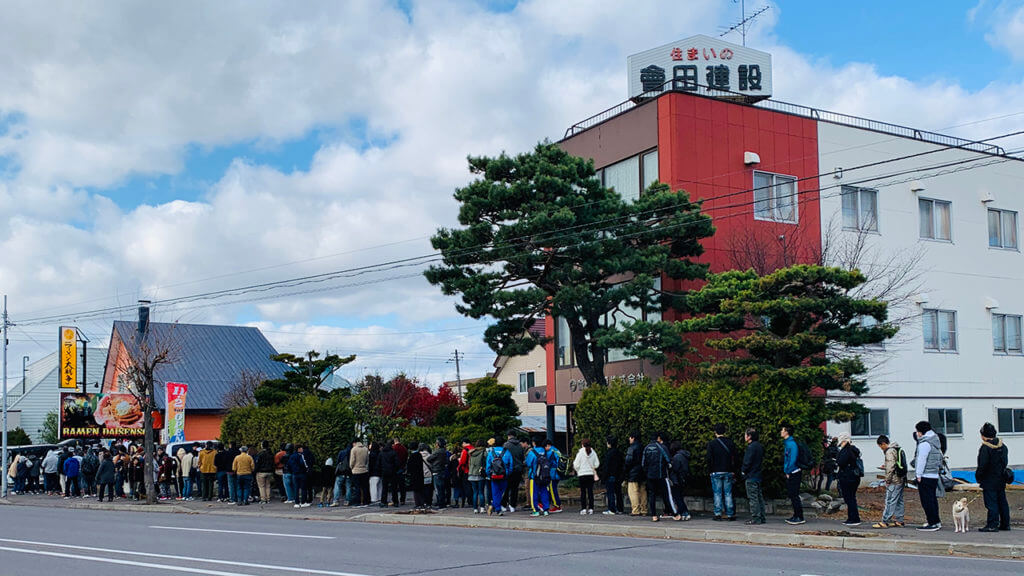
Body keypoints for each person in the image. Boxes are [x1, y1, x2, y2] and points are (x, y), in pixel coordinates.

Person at [976, 422, 1011, 532]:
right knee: (1002, 501)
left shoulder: (985, 448)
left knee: (991, 503)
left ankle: (992, 524)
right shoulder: (1003, 446)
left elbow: (982, 465)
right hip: (1001, 478)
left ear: (983, 435)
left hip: (989, 479)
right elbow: (1005, 462)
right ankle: (1005, 524)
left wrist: (979, 476)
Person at [911, 420, 943, 531]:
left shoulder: (924, 443)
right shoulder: (935, 441)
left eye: (917, 431)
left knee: (927, 500)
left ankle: (932, 522)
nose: (917, 434)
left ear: (921, 432)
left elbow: (921, 460)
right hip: (934, 474)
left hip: (925, 475)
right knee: (932, 499)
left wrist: (918, 475)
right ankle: (936, 521)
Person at [642, 433, 679, 522]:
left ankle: (654, 515)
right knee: (667, 494)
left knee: (652, 495)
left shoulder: (646, 448)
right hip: (661, 474)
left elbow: (643, 463)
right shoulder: (661, 447)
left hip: (650, 475)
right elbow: (668, 460)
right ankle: (675, 514)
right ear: (658, 438)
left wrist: (647, 472)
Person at [873, 434, 906, 528]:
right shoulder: (897, 449)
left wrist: (887, 480)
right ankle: (900, 520)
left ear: (883, 444)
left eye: (880, 446)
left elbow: (890, 467)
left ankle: (885, 521)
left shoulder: (890, 451)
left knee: (890, 500)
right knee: (899, 500)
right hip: (900, 479)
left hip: (894, 480)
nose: (881, 449)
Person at [706, 423, 737, 521]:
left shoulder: (712, 444)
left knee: (717, 493)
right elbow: (735, 458)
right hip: (728, 470)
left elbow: (709, 459)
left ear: (715, 432)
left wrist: (710, 470)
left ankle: (718, 513)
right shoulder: (730, 443)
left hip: (716, 471)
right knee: (728, 493)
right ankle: (730, 514)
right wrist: (733, 470)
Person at [835, 433, 862, 526]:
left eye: (841, 442)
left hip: (847, 477)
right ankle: (853, 517)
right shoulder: (854, 450)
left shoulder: (846, 450)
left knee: (849, 498)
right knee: (852, 498)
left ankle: (853, 519)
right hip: (855, 477)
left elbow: (840, 462)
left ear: (844, 441)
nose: (840, 445)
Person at [780, 424, 804, 525]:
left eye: (782, 430)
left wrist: (788, 471)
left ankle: (799, 516)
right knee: (792, 494)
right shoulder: (788, 443)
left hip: (794, 472)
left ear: (786, 432)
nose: (781, 432)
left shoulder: (791, 444)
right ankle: (796, 515)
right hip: (792, 471)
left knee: (794, 495)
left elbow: (792, 459)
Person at [742, 428, 765, 525]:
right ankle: (762, 517)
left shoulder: (751, 447)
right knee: (759, 497)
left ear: (749, 436)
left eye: (745, 435)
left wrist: (743, 471)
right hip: (758, 474)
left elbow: (747, 461)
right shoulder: (759, 446)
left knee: (753, 498)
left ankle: (756, 517)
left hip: (751, 475)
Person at [573, 438, 600, 515]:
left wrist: (578, 470)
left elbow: (576, 464)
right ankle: (591, 508)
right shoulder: (593, 453)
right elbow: (597, 464)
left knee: (583, 492)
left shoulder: (580, 453)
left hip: (582, 474)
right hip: (590, 474)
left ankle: (584, 509)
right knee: (590, 492)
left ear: (582, 445)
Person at [487, 438, 513, 516]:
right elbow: (511, 464)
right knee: (501, 492)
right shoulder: (507, 452)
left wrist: (489, 474)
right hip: (504, 475)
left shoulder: (491, 452)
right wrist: (508, 473)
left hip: (494, 475)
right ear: (503, 444)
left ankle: (496, 508)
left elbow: (488, 465)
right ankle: (495, 507)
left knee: (495, 492)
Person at [525, 438, 550, 516]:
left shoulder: (532, 452)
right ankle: (546, 510)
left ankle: (536, 510)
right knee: (544, 492)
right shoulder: (545, 451)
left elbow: (528, 463)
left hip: (535, 476)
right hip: (545, 475)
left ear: (534, 443)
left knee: (534, 493)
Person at [624, 432, 647, 516]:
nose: (629, 439)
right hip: (643, 472)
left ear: (633, 438)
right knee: (643, 491)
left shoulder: (632, 448)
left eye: (630, 437)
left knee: (633, 492)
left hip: (633, 473)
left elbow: (628, 461)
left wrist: (626, 472)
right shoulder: (643, 447)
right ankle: (644, 509)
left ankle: (635, 510)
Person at [501, 432, 525, 512]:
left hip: (508, 469)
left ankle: (504, 505)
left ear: (509, 436)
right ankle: (512, 506)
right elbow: (522, 457)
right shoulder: (520, 446)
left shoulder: (506, 445)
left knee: (506, 488)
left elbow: (503, 457)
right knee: (515, 488)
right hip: (518, 469)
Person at [668, 441, 692, 521]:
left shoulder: (677, 457)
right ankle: (684, 512)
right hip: (683, 479)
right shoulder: (684, 455)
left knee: (677, 498)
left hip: (676, 480)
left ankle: (684, 512)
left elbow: (675, 469)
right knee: (680, 497)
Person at [601, 436, 624, 515]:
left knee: (610, 493)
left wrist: (603, 477)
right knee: (618, 492)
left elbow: (606, 466)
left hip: (610, 475)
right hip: (618, 475)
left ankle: (612, 509)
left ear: (609, 443)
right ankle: (620, 508)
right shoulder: (619, 453)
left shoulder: (609, 453)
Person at [427, 438, 449, 509]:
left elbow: (429, 459)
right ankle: (442, 503)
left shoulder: (437, 452)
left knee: (438, 489)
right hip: (442, 470)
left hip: (436, 470)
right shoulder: (445, 451)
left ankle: (441, 504)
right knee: (442, 488)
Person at [467, 440, 487, 513]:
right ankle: (482, 508)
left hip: (471, 474)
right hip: (480, 473)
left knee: (475, 492)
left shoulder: (471, 452)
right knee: (481, 492)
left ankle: (475, 508)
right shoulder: (484, 452)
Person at [349, 440, 370, 506]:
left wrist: (351, 467)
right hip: (364, 470)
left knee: (356, 487)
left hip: (356, 471)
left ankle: (357, 502)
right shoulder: (365, 449)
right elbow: (367, 460)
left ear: (354, 443)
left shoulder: (354, 449)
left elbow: (352, 461)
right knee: (365, 487)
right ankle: (365, 501)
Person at [379, 442, 399, 508]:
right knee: (394, 488)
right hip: (392, 472)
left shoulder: (381, 453)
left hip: (384, 472)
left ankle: (383, 502)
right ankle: (395, 501)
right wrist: (395, 469)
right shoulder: (394, 452)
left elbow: (378, 463)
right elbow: (397, 463)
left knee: (384, 488)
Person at [392, 438, 408, 506]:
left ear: (394, 442)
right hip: (402, 468)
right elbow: (406, 457)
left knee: (394, 486)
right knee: (402, 486)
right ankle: (402, 500)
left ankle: (395, 500)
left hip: (394, 469)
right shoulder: (404, 448)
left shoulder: (393, 448)